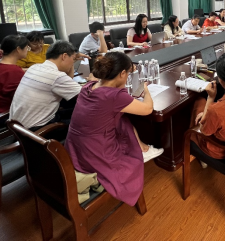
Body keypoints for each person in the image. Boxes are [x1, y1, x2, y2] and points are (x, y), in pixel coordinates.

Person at [65, 54, 163, 208]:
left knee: (123, 120)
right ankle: (140, 152)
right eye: (128, 73)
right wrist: (146, 90)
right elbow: (147, 109)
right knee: (130, 161)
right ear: (122, 73)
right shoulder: (115, 96)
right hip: (95, 153)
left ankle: (142, 147)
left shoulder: (88, 86)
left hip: (74, 148)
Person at [10, 41, 86, 130]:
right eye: (73, 59)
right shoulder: (57, 76)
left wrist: (71, 61)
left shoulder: (34, 67)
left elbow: (67, 80)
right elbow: (88, 94)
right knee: (87, 114)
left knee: (71, 104)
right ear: (64, 56)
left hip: (16, 127)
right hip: (37, 130)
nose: (73, 62)